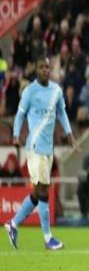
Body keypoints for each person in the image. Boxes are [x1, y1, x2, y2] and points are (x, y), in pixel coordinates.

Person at [4, 56, 77, 250]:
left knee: (39, 191)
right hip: (35, 147)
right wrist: (15, 135)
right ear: (36, 70)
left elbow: (62, 113)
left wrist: (69, 134)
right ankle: (48, 238)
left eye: (47, 67)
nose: (45, 70)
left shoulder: (56, 91)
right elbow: (20, 115)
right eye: (41, 67)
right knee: (43, 189)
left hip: (48, 149)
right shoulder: (30, 92)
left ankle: (13, 223)